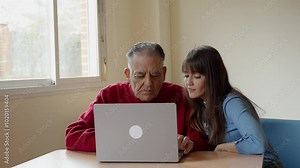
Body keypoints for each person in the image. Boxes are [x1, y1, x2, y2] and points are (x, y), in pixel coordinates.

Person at [65, 41, 211, 154]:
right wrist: (117, 141)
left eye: (155, 75)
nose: (148, 83)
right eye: (140, 75)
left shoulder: (181, 96)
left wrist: (188, 143)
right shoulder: (109, 95)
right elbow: (73, 135)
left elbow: (202, 140)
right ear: (128, 74)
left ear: (164, 73)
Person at [181, 45, 283, 167]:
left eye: (197, 76)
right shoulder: (202, 106)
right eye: (186, 75)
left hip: (265, 163)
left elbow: (258, 143)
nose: (189, 82)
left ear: (214, 77)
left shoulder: (232, 102)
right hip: (235, 163)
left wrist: (221, 147)